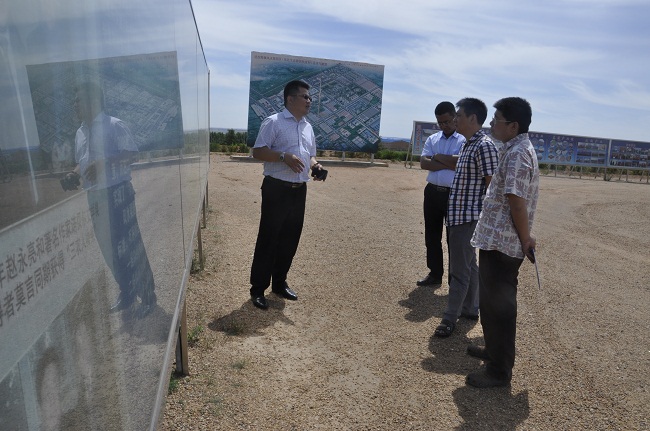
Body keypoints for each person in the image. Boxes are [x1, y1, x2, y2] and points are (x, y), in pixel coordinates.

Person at [64, 81, 156, 318]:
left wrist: (105, 163)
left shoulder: (114, 125)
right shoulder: (80, 132)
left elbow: (132, 154)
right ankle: (127, 292)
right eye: (74, 101)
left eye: (79, 100)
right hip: (94, 195)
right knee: (109, 248)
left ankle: (148, 297)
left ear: (93, 101)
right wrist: (73, 174)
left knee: (130, 244)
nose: (74, 105)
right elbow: (83, 161)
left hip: (117, 192)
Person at [465, 97, 539, 388]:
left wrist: (525, 239)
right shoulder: (512, 148)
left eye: (497, 119)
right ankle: (493, 351)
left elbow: (516, 201)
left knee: (500, 306)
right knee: (491, 301)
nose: (492, 123)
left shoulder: (519, 153)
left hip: (504, 243)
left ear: (514, 125)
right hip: (497, 239)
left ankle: (499, 370)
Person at [249, 80, 326, 310]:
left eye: (309, 97)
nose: (309, 101)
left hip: (298, 190)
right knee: (269, 239)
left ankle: (279, 283)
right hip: (276, 189)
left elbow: (310, 154)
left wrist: (316, 166)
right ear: (290, 99)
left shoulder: (307, 127)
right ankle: (258, 289)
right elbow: (258, 152)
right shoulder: (273, 122)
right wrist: (284, 157)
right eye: (305, 97)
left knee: (290, 239)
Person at [433, 98, 498, 337]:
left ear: (473, 118)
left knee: (458, 271)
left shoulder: (484, 146)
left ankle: (450, 318)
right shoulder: (469, 145)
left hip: (468, 218)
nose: (455, 119)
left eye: (459, 115)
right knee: (469, 266)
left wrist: (488, 221)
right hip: (458, 217)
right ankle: (471, 308)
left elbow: (492, 187)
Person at [417, 101, 465, 287]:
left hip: (453, 194)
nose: (444, 125)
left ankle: (455, 279)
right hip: (432, 193)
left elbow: (460, 164)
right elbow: (423, 163)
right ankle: (435, 273)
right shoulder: (433, 139)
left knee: (453, 238)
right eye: (440, 122)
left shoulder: (463, 140)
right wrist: (448, 161)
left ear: (455, 117)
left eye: (446, 121)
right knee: (432, 235)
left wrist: (436, 158)